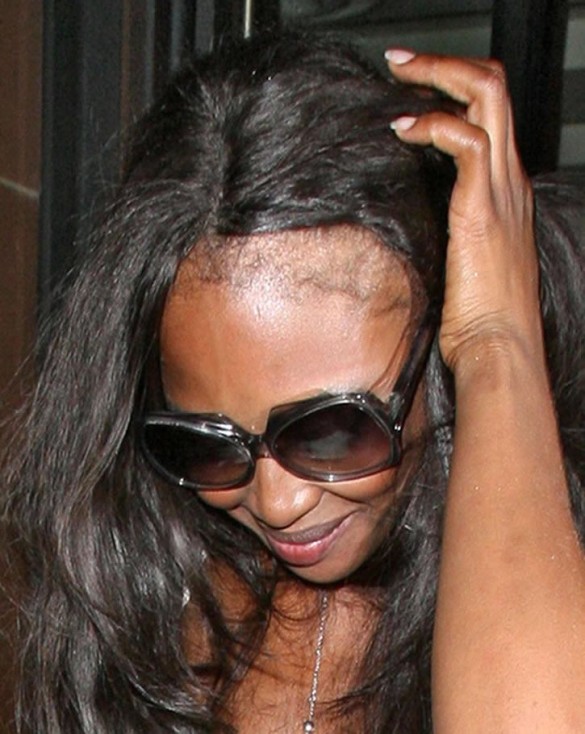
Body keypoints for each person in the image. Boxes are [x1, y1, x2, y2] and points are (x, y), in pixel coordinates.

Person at [2, 32, 585, 733]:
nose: (277, 504)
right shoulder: (153, 588)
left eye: (332, 430)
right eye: (208, 443)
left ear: (438, 345)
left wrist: (498, 345)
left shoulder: (555, 558)